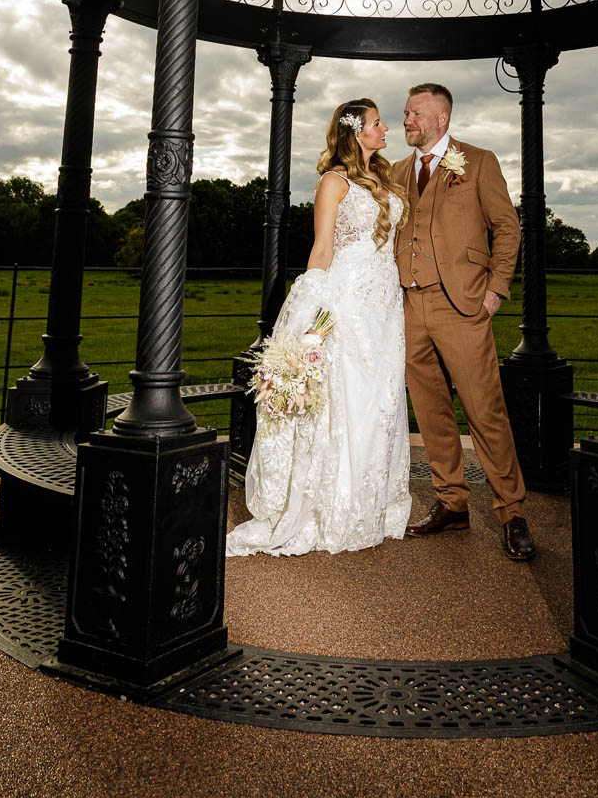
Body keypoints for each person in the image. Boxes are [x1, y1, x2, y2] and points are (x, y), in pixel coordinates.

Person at [226, 99, 412, 557]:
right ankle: (333, 507)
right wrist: (310, 313)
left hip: (385, 306)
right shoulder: (334, 181)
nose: (385, 128)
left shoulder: (384, 176)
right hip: (347, 302)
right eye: (376, 123)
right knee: (349, 398)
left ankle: (371, 504)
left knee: (382, 401)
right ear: (355, 131)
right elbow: (323, 247)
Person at [394, 82, 535, 561]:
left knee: (484, 410)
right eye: (406, 113)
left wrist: (496, 289)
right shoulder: (396, 171)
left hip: (463, 305)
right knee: (430, 411)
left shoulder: (478, 161)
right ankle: (452, 503)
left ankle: (512, 512)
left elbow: (507, 228)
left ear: (442, 118)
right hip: (408, 306)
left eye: (415, 113)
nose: (407, 120)